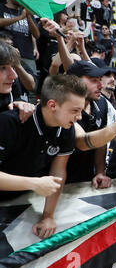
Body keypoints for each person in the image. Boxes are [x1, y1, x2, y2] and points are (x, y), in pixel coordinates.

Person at [0, 75, 85, 238]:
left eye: (81, 110)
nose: (79, 117)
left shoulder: (66, 128)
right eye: (74, 110)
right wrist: (34, 183)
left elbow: (58, 172)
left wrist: (48, 216)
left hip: (20, 200)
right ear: (52, 105)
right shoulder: (10, 123)